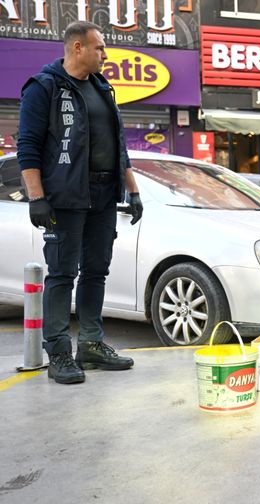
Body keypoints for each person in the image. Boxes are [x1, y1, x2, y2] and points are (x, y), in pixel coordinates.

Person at [17, 21, 143, 384]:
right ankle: (57, 351)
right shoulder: (44, 88)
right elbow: (28, 148)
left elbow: (119, 146)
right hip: (65, 197)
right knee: (61, 274)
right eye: (99, 47)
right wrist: (37, 198)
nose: (104, 54)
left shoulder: (103, 88)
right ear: (77, 48)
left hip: (103, 195)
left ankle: (90, 343)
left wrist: (132, 190)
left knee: (95, 271)